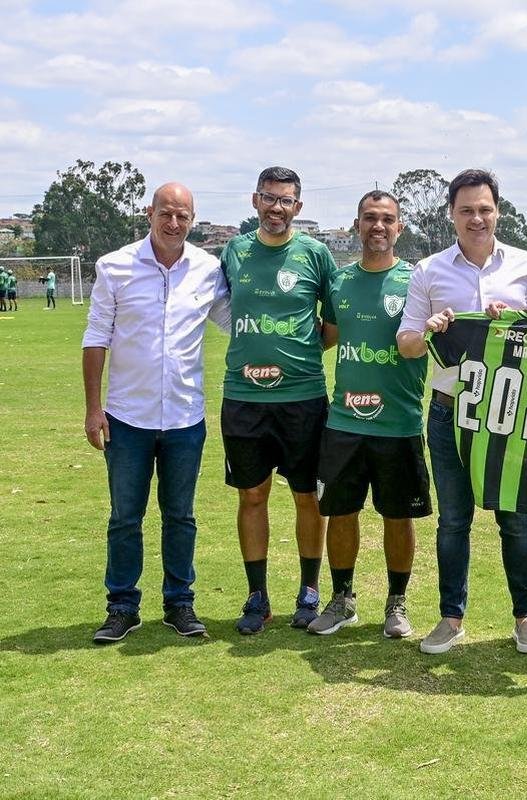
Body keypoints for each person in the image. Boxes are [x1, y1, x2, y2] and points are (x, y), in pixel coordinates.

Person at [396, 168, 527, 655]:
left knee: (516, 520)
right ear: (452, 215)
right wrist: (431, 329)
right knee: (453, 521)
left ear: (497, 210)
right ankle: (451, 617)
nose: (476, 218)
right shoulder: (429, 271)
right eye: (466, 211)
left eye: (484, 209)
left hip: (510, 410)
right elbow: (407, 344)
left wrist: (522, 320)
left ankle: (526, 615)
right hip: (448, 412)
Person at [82, 182, 230, 643]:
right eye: (166, 213)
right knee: (125, 516)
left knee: (180, 515)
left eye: (182, 216)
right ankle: (122, 607)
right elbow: (95, 339)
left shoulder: (209, 269)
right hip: (127, 417)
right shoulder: (115, 266)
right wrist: (93, 409)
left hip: (185, 417)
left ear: (193, 219)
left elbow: (235, 322)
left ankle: (179, 604)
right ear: (149, 213)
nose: (173, 223)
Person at [306, 190, 431, 638]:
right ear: (357, 225)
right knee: (341, 512)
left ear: (399, 227)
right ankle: (342, 600)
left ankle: (397, 604)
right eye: (369, 218)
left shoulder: (417, 281)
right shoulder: (340, 283)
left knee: (398, 516)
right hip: (344, 421)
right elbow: (330, 336)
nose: (378, 226)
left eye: (387, 219)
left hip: (398, 423)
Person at [220, 166, 337, 635]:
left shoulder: (315, 254)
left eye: (286, 200)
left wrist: (300, 355)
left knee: (306, 495)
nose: (276, 207)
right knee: (252, 494)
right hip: (244, 397)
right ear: (254, 201)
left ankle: (309, 593)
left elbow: (334, 322)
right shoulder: (234, 251)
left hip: (303, 398)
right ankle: (257, 596)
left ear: (298, 208)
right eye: (269, 198)